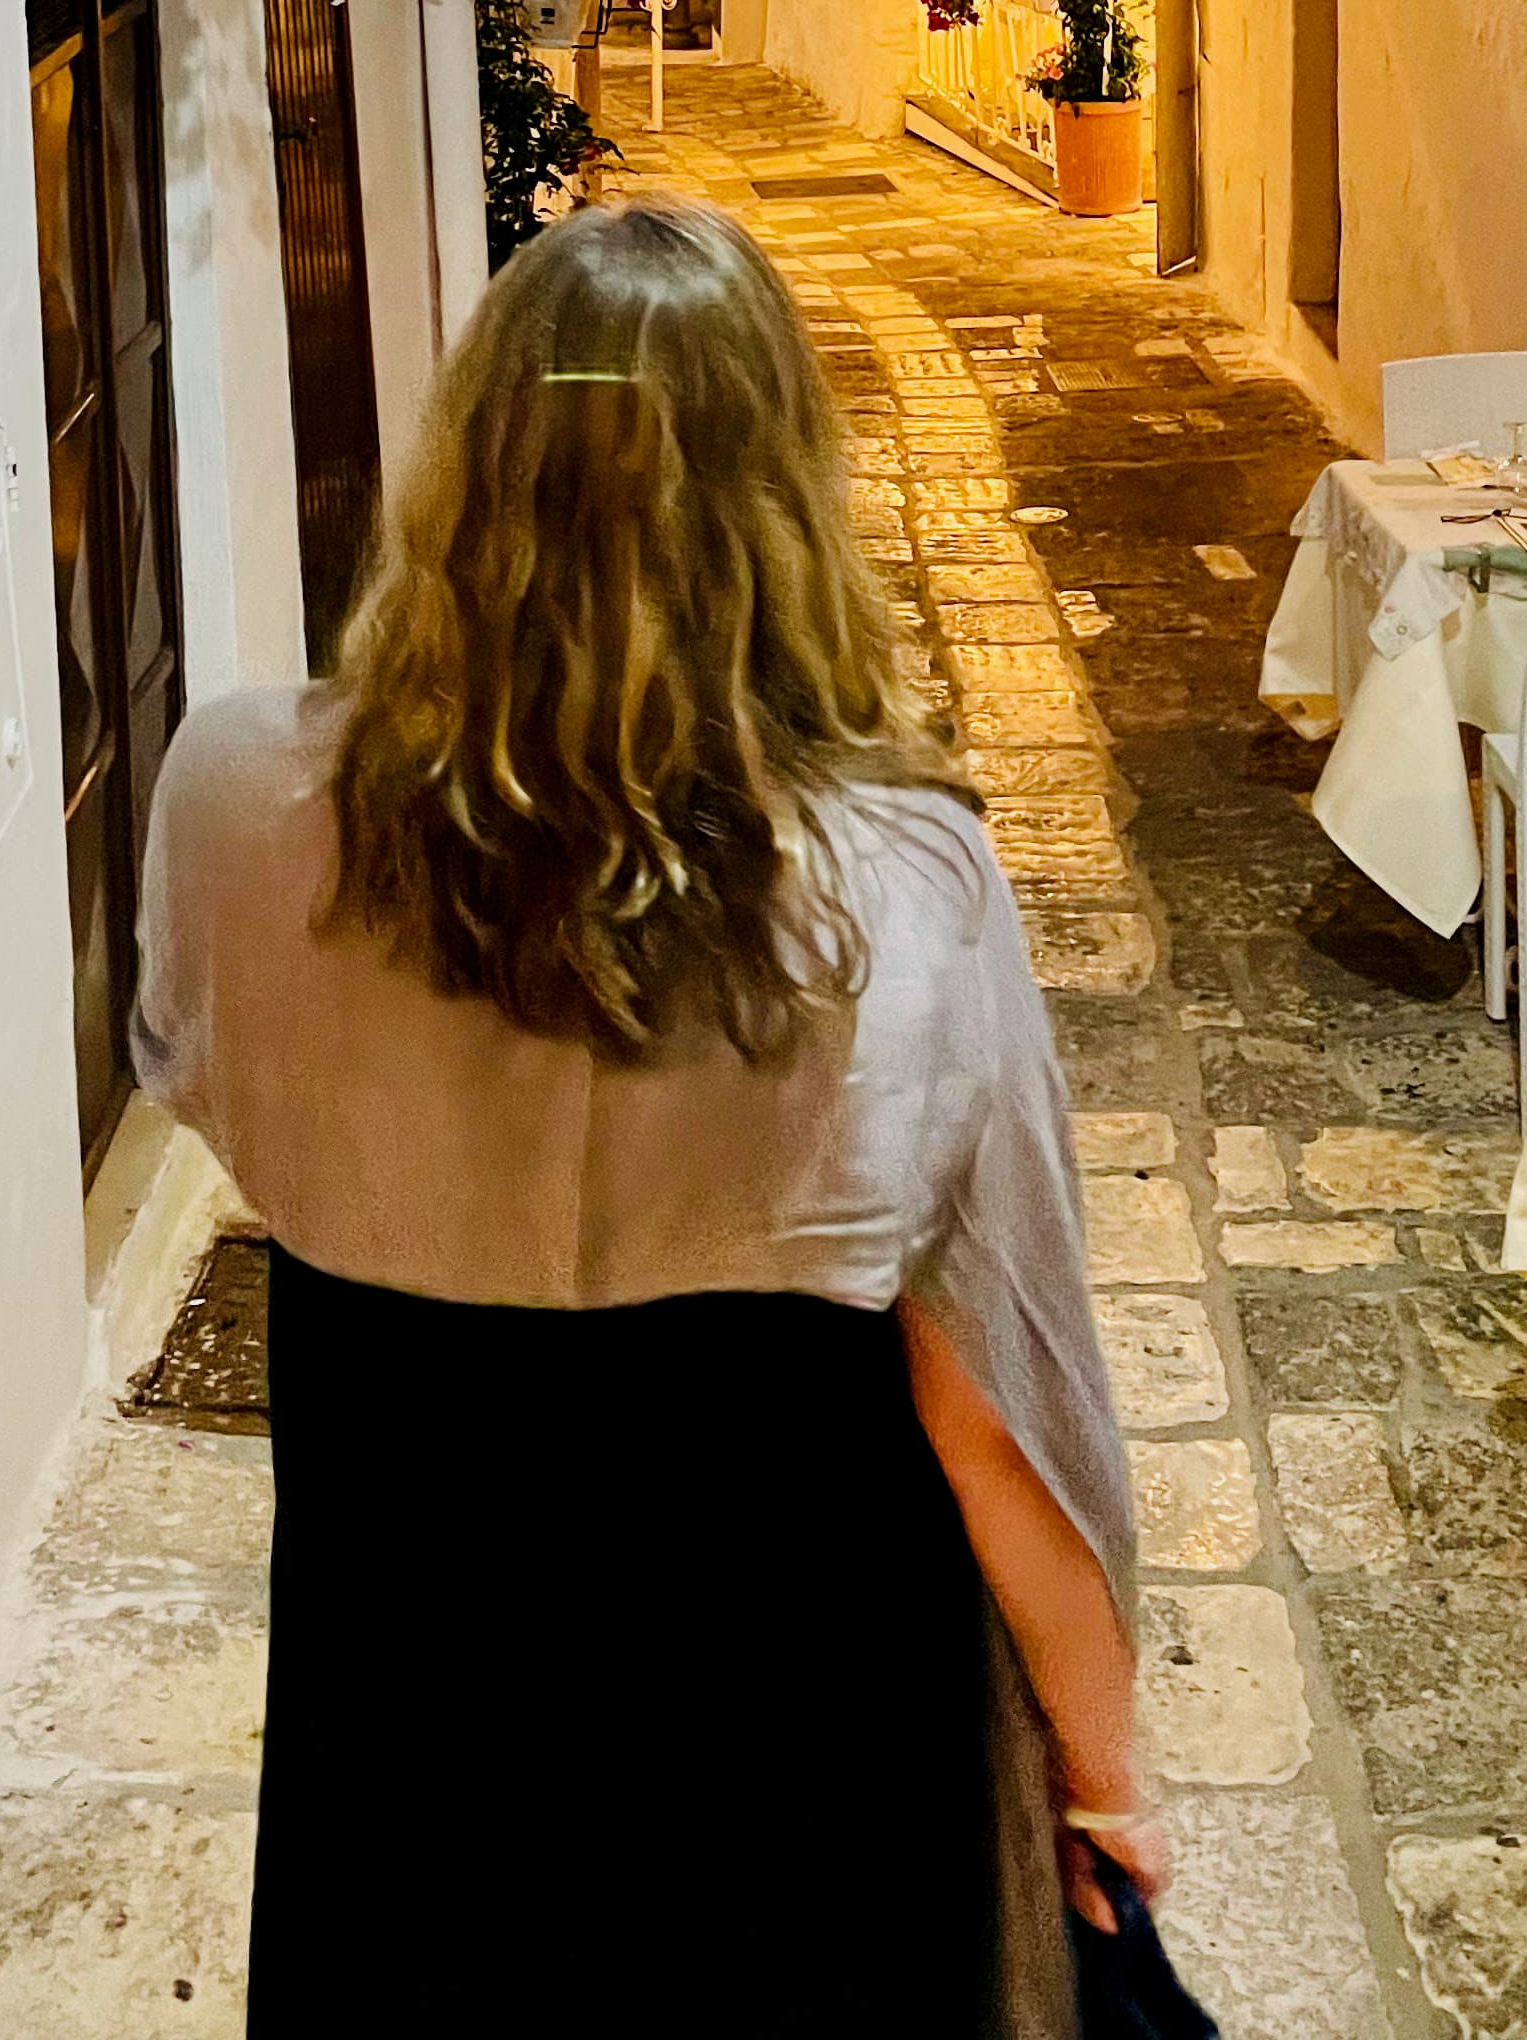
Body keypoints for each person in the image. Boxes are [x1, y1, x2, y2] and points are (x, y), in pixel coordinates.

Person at [136, 195, 1163, 2039]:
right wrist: (1102, 1769)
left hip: (414, 1729)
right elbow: (998, 1396)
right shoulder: (896, 891)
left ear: (465, 470)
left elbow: (220, 1090)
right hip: (793, 1751)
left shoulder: (234, 806)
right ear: (784, 499)